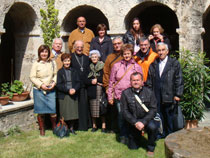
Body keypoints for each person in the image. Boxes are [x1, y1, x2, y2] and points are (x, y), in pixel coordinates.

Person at [146, 42, 184, 138]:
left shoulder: (174, 63)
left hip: (169, 94)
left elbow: (179, 79)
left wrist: (178, 94)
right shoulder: (153, 64)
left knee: (169, 116)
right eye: (159, 50)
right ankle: (161, 133)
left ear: (167, 51)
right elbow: (149, 81)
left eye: (163, 50)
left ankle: (170, 134)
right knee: (159, 116)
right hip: (156, 95)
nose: (161, 52)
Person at [107, 44, 143, 143]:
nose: (126, 55)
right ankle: (123, 135)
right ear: (122, 54)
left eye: (128, 53)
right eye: (124, 54)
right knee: (121, 116)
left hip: (132, 96)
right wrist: (110, 96)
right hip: (119, 96)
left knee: (132, 116)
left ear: (132, 54)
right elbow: (111, 82)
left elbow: (141, 82)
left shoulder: (136, 67)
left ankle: (132, 135)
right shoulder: (116, 66)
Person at [121, 72, 158, 157]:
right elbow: (124, 111)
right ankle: (136, 138)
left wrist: (144, 122)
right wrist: (135, 122)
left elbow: (153, 109)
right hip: (133, 121)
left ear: (142, 81)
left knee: (153, 127)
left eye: (138, 80)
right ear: (130, 82)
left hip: (146, 120)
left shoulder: (149, 92)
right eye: (133, 80)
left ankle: (150, 148)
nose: (136, 82)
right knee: (133, 148)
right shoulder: (125, 93)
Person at [30, 45, 57, 136]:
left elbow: (55, 74)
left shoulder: (52, 63)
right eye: (42, 52)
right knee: (40, 111)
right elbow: (32, 77)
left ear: (48, 53)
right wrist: (41, 85)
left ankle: (54, 127)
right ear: (39, 53)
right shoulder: (36, 64)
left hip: (50, 89)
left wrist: (54, 82)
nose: (44, 54)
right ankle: (42, 129)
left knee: (52, 110)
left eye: (46, 52)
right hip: (39, 90)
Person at [56, 53, 80, 135]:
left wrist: (74, 89)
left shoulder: (74, 71)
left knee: (73, 113)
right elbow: (59, 85)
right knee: (64, 113)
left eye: (68, 61)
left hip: (73, 94)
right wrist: (67, 90)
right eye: (65, 61)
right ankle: (63, 128)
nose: (67, 62)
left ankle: (72, 128)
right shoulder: (60, 72)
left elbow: (78, 82)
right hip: (64, 95)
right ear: (62, 61)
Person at [71, 40, 90, 131]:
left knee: (83, 106)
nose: (79, 49)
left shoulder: (86, 58)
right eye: (77, 47)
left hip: (84, 86)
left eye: (81, 47)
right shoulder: (71, 57)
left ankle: (83, 126)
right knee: (74, 107)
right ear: (74, 47)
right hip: (74, 86)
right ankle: (74, 126)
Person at [86, 50, 106, 132]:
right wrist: (91, 81)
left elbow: (105, 77)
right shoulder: (88, 67)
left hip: (101, 90)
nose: (94, 58)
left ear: (98, 58)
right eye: (92, 57)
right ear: (90, 58)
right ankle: (94, 125)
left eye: (95, 57)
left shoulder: (103, 66)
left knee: (102, 108)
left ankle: (103, 126)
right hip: (92, 90)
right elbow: (85, 79)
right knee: (93, 109)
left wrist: (97, 80)